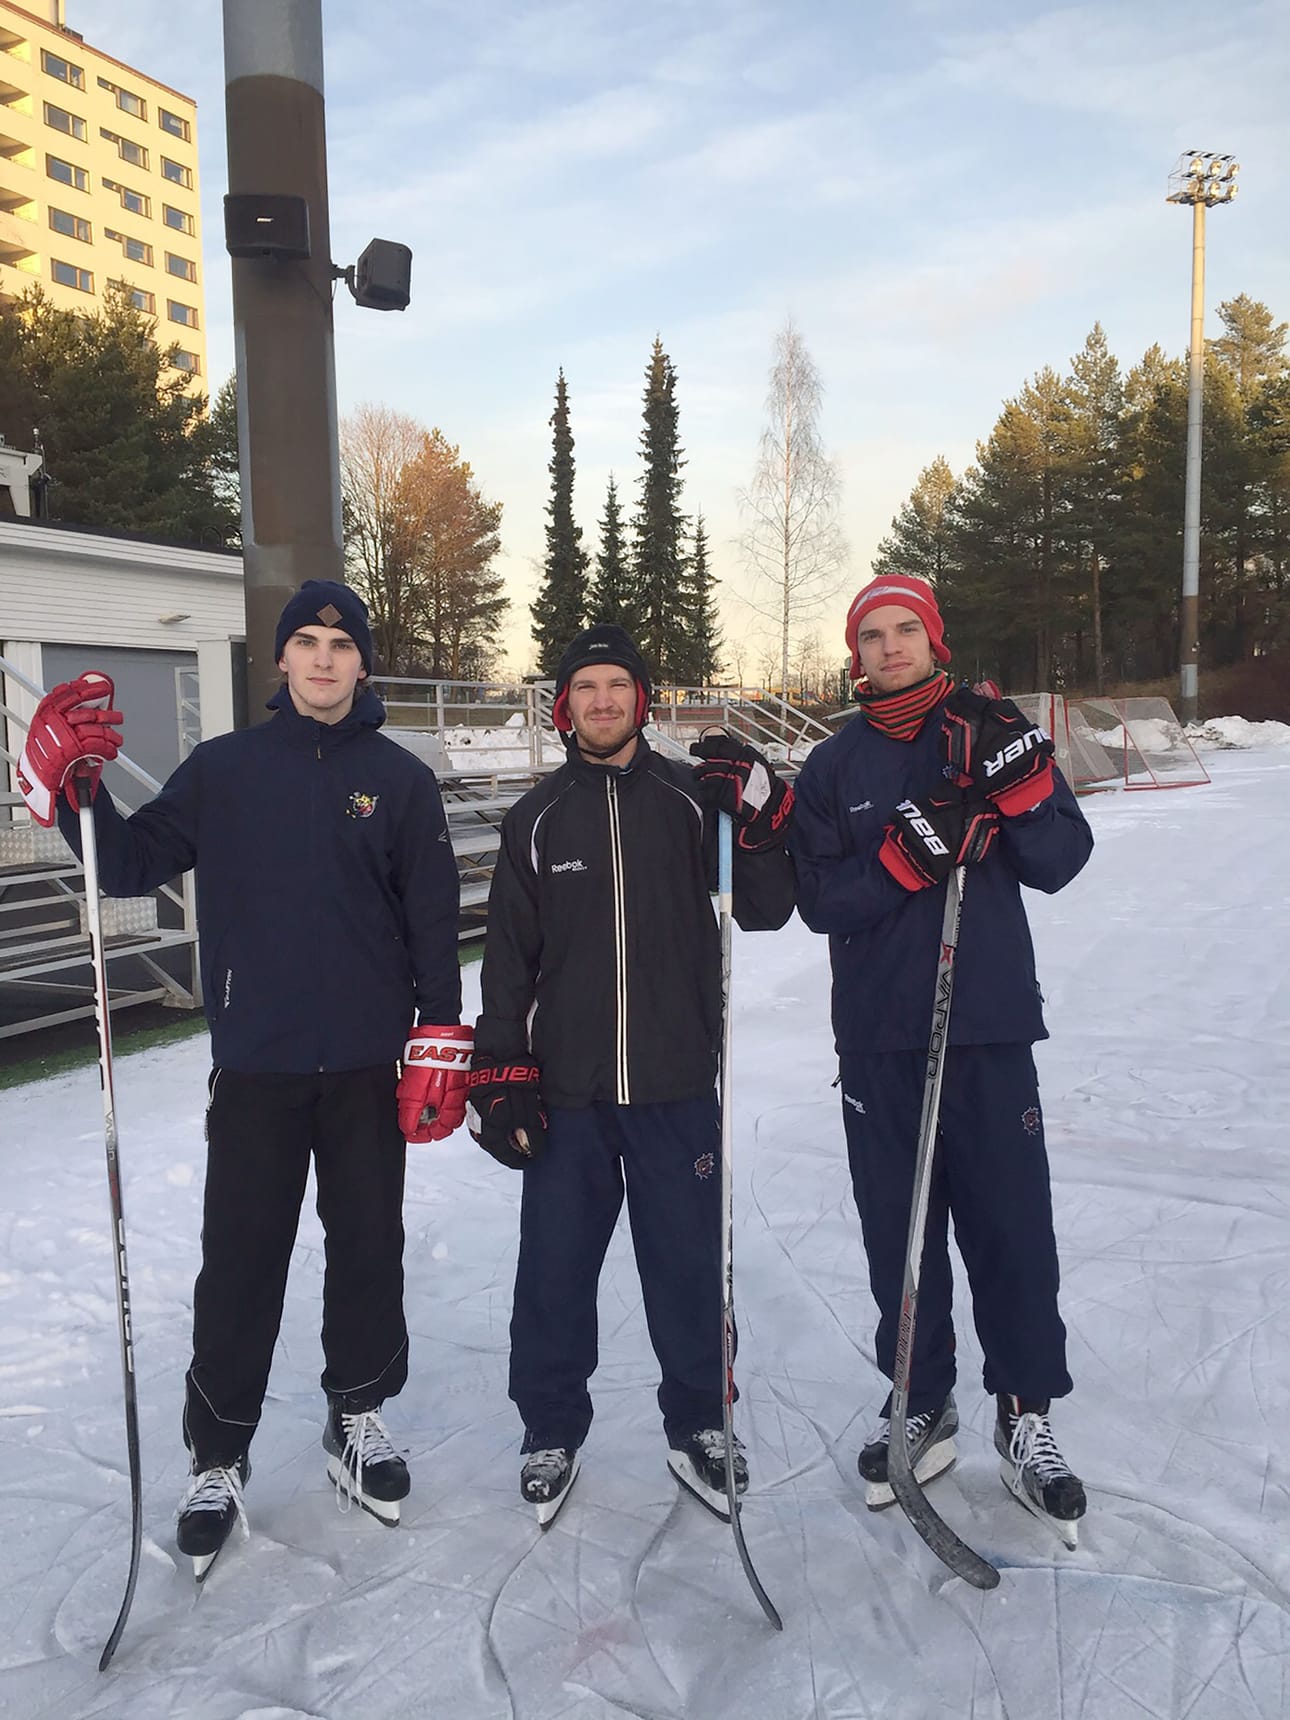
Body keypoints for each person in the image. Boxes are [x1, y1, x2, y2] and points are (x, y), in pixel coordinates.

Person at [17, 581, 469, 1573]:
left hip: (363, 1066)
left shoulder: (398, 780)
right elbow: (129, 864)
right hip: (258, 1067)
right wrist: (73, 792)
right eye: (304, 642)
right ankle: (219, 1451)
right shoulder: (223, 770)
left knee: (367, 1249)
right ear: (280, 660)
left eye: (339, 644)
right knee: (241, 1263)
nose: (321, 659)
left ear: (361, 662)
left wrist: (440, 1031)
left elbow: (433, 917)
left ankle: (356, 1414)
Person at [467, 623, 795, 1524]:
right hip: (568, 1094)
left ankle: (698, 1423)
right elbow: (507, 961)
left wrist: (761, 813)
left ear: (640, 700)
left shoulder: (693, 800)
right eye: (585, 689)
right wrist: (500, 1071)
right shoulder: (537, 817)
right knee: (554, 1273)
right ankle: (550, 1429)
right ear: (564, 704)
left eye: (617, 686)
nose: (602, 702)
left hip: (676, 1085)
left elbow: (767, 909)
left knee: (687, 1268)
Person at [789, 572, 1094, 1541]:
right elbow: (818, 901)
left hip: (989, 1025)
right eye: (870, 636)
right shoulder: (832, 767)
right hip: (881, 1035)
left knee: (1012, 1228)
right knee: (901, 1236)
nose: (887, 649)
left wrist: (1023, 788)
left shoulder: (988, 732)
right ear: (855, 654)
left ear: (934, 640)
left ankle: (1025, 1411)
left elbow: (1059, 860)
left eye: (903, 631)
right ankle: (921, 1400)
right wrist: (903, 860)